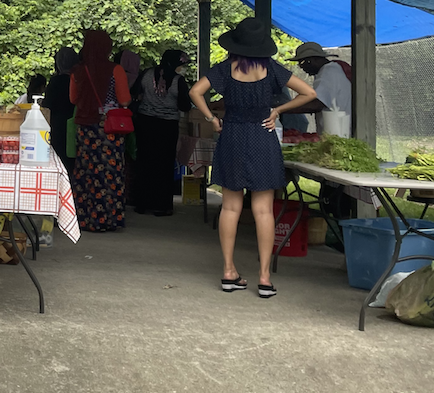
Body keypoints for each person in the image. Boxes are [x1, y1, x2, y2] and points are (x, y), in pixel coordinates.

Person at [189, 18, 316, 298]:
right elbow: (309, 93)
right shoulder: (271, 69)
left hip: (232, 135)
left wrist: (211, 118)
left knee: (231, 208)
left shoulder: (224, 69)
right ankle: (265, 278)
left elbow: (195, 92)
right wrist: (278, 111)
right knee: (262, 210)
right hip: (262, 136)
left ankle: (228, 272)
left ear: (236, 44)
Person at [69, 29, 132, 232]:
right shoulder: (116, 70)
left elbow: (73, 99)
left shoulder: (77, 71)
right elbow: (124, 100)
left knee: (86, 172)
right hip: (109, 129)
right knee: (109, 174)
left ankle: (85, 218)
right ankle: (108, 218)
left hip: (85, 129)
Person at [132, 49, 193, 216]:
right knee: (164, 164)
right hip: (167, 126)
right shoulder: (178, 81)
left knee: (145, 160)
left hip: (145, 123)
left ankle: (142, 203)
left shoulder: (146, 73)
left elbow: (134, 93)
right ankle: (161, 205)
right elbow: (185, 106)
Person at [288, 41, 352, 118]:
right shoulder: (329, 70)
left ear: (311, 60)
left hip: (339, 126)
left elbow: (317, 104)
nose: (301, 67)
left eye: (301, 63)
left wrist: (282, 108)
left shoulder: (329, 71)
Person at [43, 47, 79, 173]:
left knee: (59, 162)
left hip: (57, 127)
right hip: (76, 126)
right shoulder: (79, 80)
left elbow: (47, 106)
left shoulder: (56, 81)